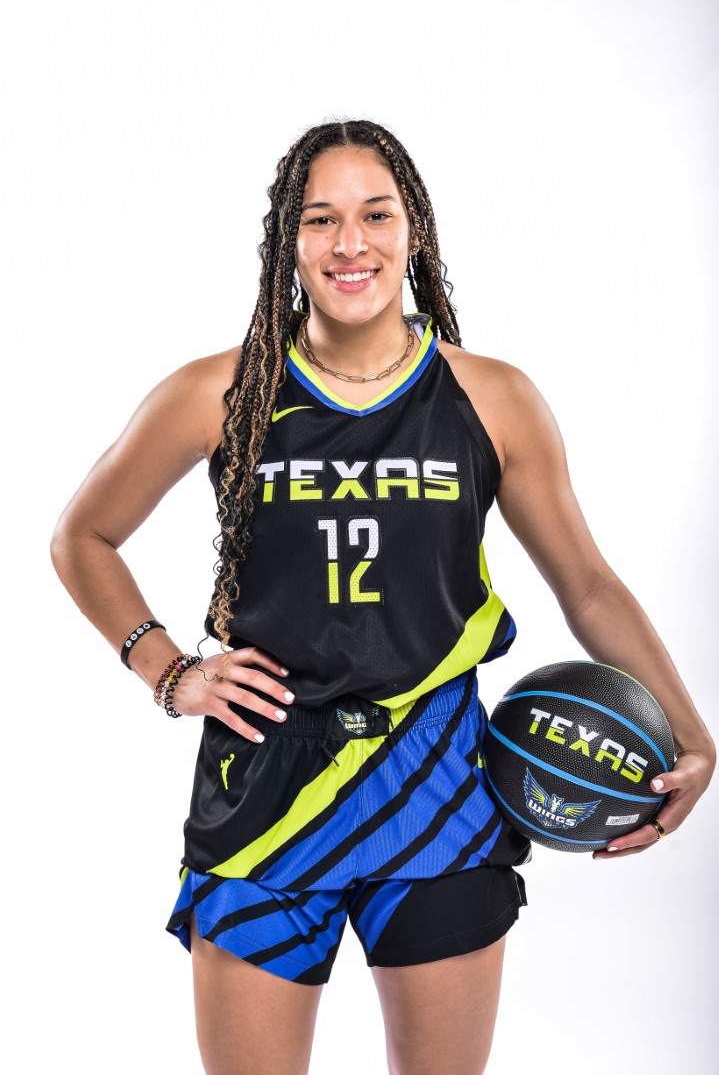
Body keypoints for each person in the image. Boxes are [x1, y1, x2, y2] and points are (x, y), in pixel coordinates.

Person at [51, 119, 715, 1075]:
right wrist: (167, 671)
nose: (349, 243)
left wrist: (693, 735)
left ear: (415, 232)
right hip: (267, 792)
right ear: (287, 242)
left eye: (375, 214)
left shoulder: (490, 397)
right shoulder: (217, 393)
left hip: (436, 786)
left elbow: (587, 583)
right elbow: (82, 536)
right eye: (319, 219)